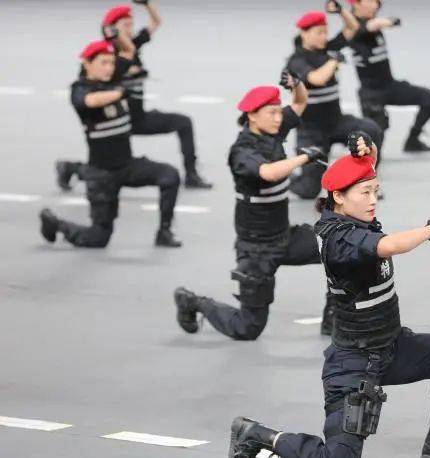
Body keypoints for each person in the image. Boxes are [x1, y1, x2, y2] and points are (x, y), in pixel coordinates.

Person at [227, 133, 430, 458]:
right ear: (338, 196)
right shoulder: (340, 239)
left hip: (390, 347)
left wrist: (364, 151)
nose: (373, 199)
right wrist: (429, 230)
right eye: (365, 193)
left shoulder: (355, 213)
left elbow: (366, 171)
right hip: (354, 365)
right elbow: (391, 245)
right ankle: (257, 434)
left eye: (375, 191)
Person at [173, 78, 334, 340]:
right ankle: (195, 302)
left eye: (277, 111)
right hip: (256, 249)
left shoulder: (274, 129)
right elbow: (268, 173)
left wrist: (297, 84)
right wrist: (304, 157)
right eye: (271, 113)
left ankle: (333, 319)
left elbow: (300, 102)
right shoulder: (241, 151)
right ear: (252, 116)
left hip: (286, 236)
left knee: (340, 249)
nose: (278, 118)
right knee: (247, 329)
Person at [56, 1, 213, 191]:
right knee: (109, 168)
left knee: (183, 122)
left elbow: (154, 25)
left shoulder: (132, 46)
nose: (131, 29)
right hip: (118, 117)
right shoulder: (108, 59)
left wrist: (147, 5)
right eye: (126, 25)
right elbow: (94, 84)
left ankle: (191, 174)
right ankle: (72, 168)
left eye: (131, 24)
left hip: (138, 116)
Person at [40, 39, 181, 248]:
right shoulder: (80, 89)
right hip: (102, 174)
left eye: (111, 63)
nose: (109, 68)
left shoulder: (112, 76)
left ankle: (164, 232)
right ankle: (56, 224)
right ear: (87, 64)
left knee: (169, 176)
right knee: (98, 238)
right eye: (103, 63)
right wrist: (120, 92)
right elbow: (90, 101)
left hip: (127, 165)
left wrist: (117, 36)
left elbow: (129, 51)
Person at [286, 8, 384, 199]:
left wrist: (340, 11)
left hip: (336, 122)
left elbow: (352, 27)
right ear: (304, 33)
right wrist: (334, 60)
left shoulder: (329, 48)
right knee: (309, 190)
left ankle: (365, 180)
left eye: (325, 32)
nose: (324, 36)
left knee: (370, 130)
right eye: (319, 32)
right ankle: (286, 178)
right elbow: (316, 79)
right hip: (311, 131)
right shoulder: (296, 61)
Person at [344, 0, 430, 152]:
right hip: (371, 94)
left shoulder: (371, 23)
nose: (376, 6)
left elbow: (374, 25)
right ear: (357, 4)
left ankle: (412, 140)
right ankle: (342, 139)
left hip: (390, 86)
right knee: (374, 139)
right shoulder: (352, 27)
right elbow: (369, 26)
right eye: (371, 2)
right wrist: (386, 21)